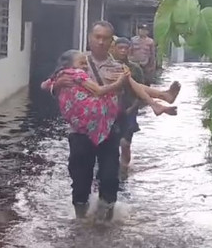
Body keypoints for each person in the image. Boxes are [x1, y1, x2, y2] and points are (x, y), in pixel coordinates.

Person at [40, 21, 181, 221]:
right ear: (89, 38)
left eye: (105, 38)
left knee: (109, 179)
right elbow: (48, 84)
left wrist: (149, 102)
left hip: (109, 129)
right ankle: (81, 223)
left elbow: (133, 86)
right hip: (80, 133)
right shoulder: (76, 62)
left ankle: (106, 225)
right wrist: (56, 86)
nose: (101, 42)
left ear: (111, 42)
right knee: (80, 182)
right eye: (97, 37)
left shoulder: (117, 67)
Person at [112, 37, 144, 169]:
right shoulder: (109, 67)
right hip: (111, 109)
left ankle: (125, 168)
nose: (123, 51)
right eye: (120, 48)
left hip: (130, 107)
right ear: (114, 49)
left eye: (126, 48)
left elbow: (142, 91)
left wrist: (133, 107)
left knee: (125, 143)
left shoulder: (135, 69)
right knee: (112, 142)